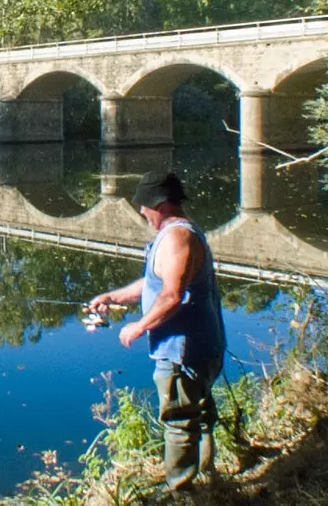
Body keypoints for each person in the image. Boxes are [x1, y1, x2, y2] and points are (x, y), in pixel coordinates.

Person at [88, 170, 226, 491]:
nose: (141, 212)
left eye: (144, 206)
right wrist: (113, 296)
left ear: (161, 205)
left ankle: (180, 489)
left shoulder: (179, 238)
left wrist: (139, 326)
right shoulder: (176, 234)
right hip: (200, 346)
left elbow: (171, 295)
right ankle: (206, 479)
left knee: (180, 421)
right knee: (199, 414)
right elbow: (156, 283)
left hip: (183, 351)